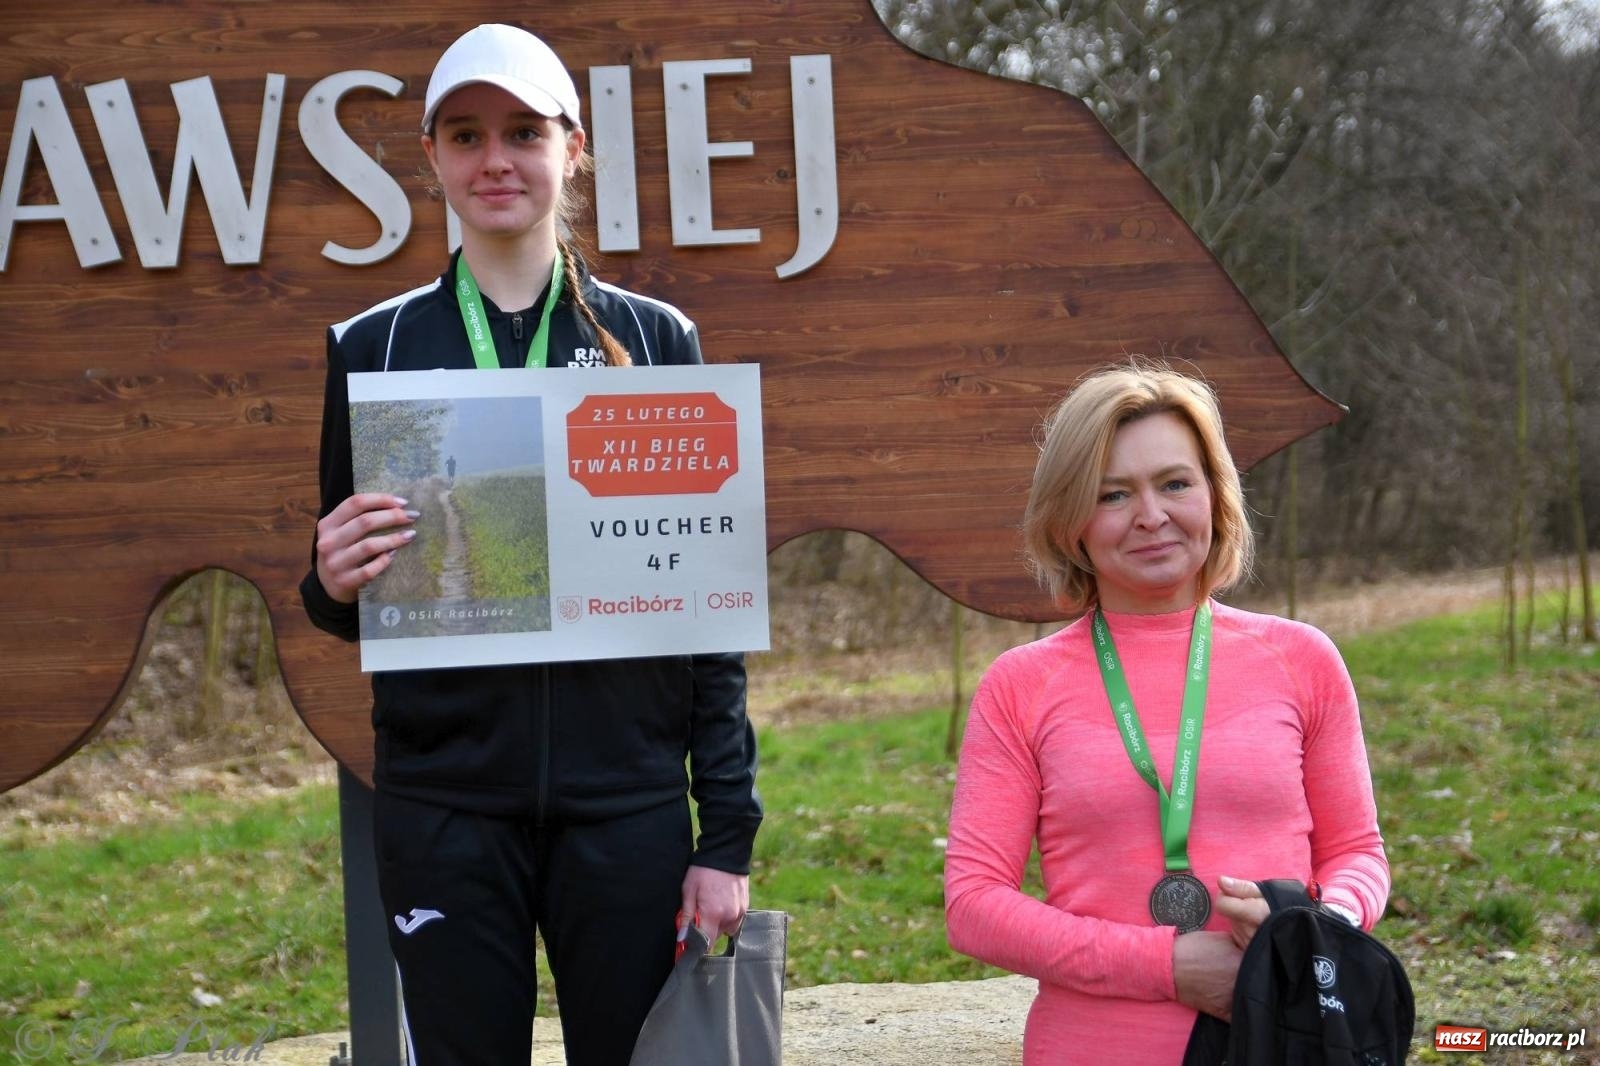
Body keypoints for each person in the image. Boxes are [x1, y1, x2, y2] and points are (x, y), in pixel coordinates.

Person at [298, 24, 762, 1066]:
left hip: (627, 813)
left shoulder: (655, 341)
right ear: (431, 156)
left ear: (573, 145)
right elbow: (346, 591)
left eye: (522, 131)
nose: (495, 158)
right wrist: (329, 582)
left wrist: (723, 834)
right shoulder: (371, 348)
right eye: (466, 135)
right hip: (445, 816)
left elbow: (706, 611)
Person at [943, 363, 1390, 1065]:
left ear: (1214, 493)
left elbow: (1357, 854)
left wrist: (1311, 928)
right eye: (1113, 494)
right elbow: (974, 905)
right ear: (1071, 522)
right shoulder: (1019, 685)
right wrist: (1168, 965)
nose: (1152, 515)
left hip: (1285, 1034)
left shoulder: (1303, 659)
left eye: (1175, 483)